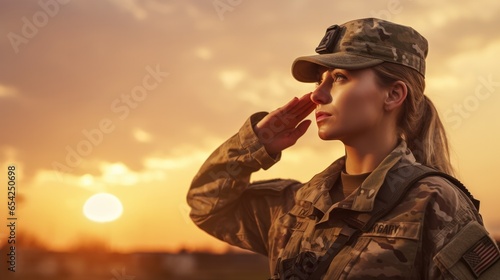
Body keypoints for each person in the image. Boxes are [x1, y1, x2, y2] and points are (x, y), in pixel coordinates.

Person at [186, 18, 500, 279]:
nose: (317, 96)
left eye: (339, 77)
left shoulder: (435, 204)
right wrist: (254, 145)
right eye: (318, 81)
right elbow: (206, 205)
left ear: (393, 94)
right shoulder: (298, 205)